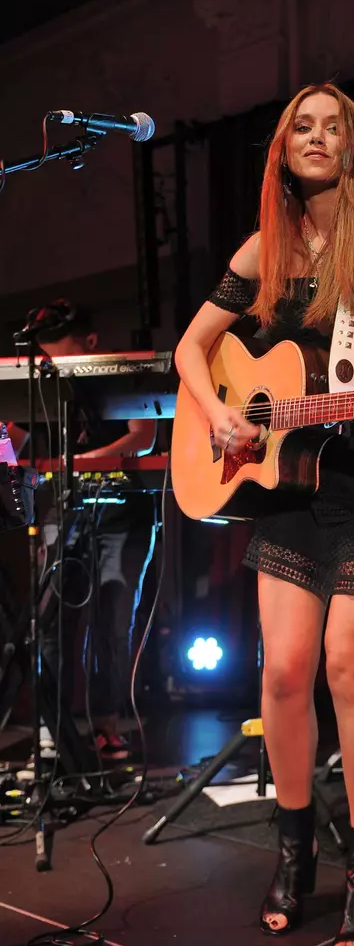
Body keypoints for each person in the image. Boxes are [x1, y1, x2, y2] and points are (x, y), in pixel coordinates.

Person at [174, 83, 354, 946]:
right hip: (287, 486)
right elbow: (188, 348)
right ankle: (294, 854)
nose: (317, 138)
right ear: (283, 151)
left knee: (347, 668)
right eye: (303, 128)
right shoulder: (266, 250)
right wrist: (217, 410)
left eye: (334, 127)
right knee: (285, 672)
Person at [4, 300, 157, 761]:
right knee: (51, 621)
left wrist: (77, 463)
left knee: (112, 616)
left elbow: (144, 436)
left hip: (123, 512)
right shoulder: (44, 382)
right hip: (65, 513)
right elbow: (16, 442)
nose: (56, 365)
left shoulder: (119, 373)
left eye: (63, 353)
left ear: (91, 343)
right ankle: (57, 730)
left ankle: (107, 725)